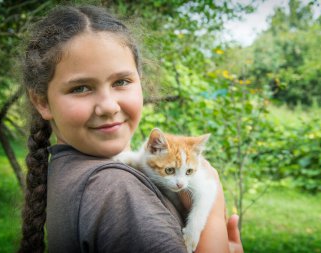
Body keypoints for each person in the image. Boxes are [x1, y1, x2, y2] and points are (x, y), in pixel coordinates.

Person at [18, 5, 243, 253]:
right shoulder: (117, 190)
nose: (108, 106)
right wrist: (213, 219)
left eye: (121, 82)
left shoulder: (64, 166)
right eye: (80, 88)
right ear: (41, 101)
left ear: (141, 83)